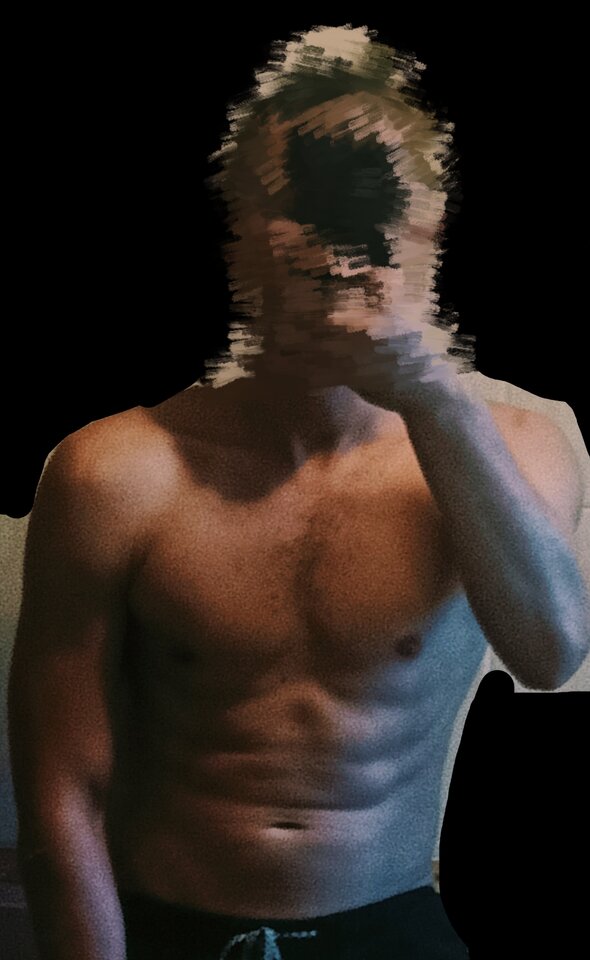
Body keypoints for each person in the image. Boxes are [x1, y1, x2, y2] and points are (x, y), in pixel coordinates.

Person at [8, 24, 589, 960]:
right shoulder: (112, 469)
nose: (338, 248)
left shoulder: (516, 447)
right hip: (167, 927)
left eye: (372, 203)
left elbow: (551, 653)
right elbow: (60, 795)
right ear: (240, 232)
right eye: (304, 200)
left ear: (428, 230)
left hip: (389, 924)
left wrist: (431, 395)